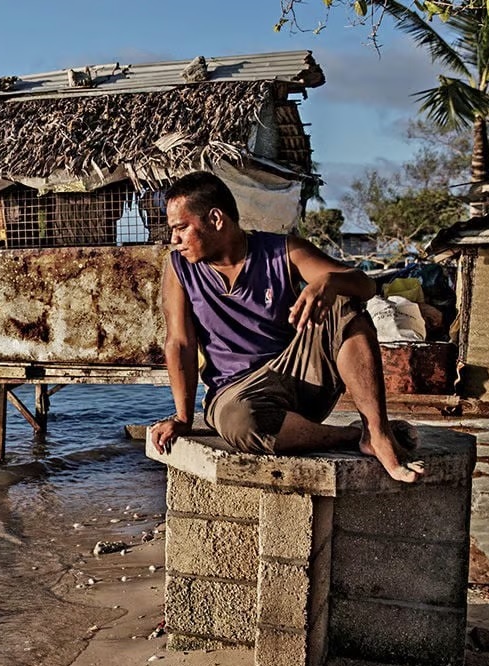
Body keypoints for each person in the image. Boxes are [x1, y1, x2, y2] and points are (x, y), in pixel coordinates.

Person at [148, 171, 422, 483]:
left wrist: (331, 282)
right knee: (242, 422)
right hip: (235, 393)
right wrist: (183, 418)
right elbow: (179, 343)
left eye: (181, 228)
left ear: (215, 219)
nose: (174, 239)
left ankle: (378, 430)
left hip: (299, 380)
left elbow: (366, 285)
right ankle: (352, 436)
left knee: (345, 304)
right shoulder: (179, 268)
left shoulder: (283, 251)